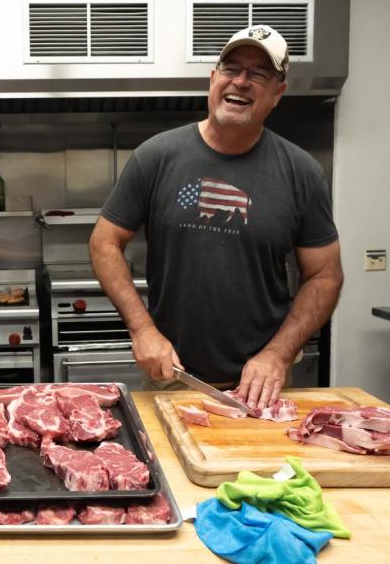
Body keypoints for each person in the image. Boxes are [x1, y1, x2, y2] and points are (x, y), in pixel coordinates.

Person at [89, 25, 343, 410]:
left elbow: (325, 275)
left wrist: (278, 354)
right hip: (172, 379)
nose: (240, 82)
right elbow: (104, 241)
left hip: (263, 385)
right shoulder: (156, 157)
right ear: (213, 78)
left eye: (259, 74)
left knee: (267, 471)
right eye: (231, 68)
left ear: (278, 93)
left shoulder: (301, 172)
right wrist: (142, 330)